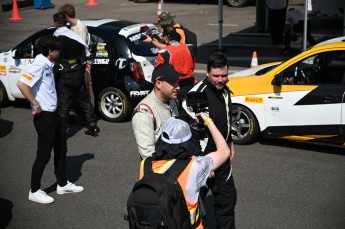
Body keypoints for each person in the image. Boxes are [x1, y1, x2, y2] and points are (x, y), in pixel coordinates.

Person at [17, 35, 84, 204]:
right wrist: (35, 104)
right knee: (44, 154)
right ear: (50, 52)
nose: (60, 52)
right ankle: (34, 190)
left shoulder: (49, 63)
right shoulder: (39, 64)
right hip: (44, 116)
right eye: (58, 50)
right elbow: (22, 84)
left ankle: (62, 184)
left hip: (55, 114)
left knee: (61, 148)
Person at [138, 113, 230, 229]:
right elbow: (224, 151)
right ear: (188, 142)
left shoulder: (145, 164)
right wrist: (208, 121)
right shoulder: (195, 166)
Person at [185, 52, 237, 228]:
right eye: (216, 76)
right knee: (191, 206)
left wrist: (230, 142)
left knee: (227, 201)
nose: (221, 80)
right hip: (202, 161)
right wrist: (201, 159)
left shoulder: (225, 91)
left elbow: (227, 119)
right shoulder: (195, 95)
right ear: (207, 72)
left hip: (222, 159)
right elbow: (187, 134)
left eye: (224, 75)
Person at [53, 12, 100, 137]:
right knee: (84, 100)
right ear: (66, 22)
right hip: (78, 72)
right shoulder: (75, 37)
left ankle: (63, 132)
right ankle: (93, 126)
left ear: (56, 23)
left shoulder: (56, 38)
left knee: (64, 104)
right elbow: (85, 55)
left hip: (64, 73)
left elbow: (53, 58)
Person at [132, 63, 180, 160]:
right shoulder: (144, 113)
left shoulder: (172, 100)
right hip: (161, 171)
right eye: (173, 83)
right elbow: (148, 156)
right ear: (158, 84)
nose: (178, 87)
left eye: (178, 82)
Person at [59, 3, 93, 123]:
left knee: (84, 93)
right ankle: (72, 113)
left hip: (81, 64)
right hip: (76, 64)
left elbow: (81, 47)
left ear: (67, 16)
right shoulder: (72, 27)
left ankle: (89, 119)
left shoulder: (80, 28)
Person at [155, 25, 196, 101]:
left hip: (175, 87)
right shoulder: (189, 48)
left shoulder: (163, 53)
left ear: (166, 37)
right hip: (191, 84)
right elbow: (193, 66)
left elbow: (159, 75)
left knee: (177, 110)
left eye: (163, 36)